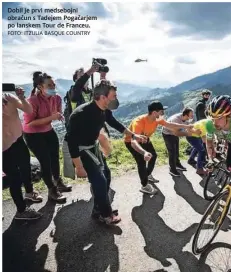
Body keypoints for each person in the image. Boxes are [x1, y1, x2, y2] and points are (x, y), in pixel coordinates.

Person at [65, 79, 141, 225]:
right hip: (81, 150)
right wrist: (79, 167)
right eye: (113, 96)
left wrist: (134, 135)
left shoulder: (104, 110)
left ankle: (98, 209)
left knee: (106, 175)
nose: (115, 99)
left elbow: (114, 123)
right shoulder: (81, 114)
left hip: (92, 147)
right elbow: (72, 141)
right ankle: (106, 215)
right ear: (103, 97)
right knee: (99, 180)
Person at [124, 101, 195, 195]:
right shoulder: (139, 122)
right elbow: (133, 142)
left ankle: (147, 175)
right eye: (161, 111)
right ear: (154, 113)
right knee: (141, 162)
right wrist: (144, 152)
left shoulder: (158, 119)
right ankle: (144, 186)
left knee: (153, 156)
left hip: (145, 139)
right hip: (132, 142)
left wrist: (186, 126)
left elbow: (170, 125)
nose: (163, 113)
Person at [22, 72, 69, 203]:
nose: (53, 87)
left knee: (55, 157)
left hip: (48, 130)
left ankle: (58, 181)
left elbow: (56, 113)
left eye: (54, 85)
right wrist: (52, 117)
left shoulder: (57, 98)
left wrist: (59, 116)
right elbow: (29, 123)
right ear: (40, 87)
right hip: (32, 134)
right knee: (45, 161)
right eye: (49, 85)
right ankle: (52, 190)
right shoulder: (32, 101)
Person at [2, 87, 42, 220]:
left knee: (25, 166)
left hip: (18, 140)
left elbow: (28, 110)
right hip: (3, 148)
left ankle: (29, 193)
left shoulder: (7, 97)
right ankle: (21, 210)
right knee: (15, 178)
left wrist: (22, 97)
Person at [161, 107, 195, 176]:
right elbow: (176, 133)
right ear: (185, 115)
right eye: (191, 115)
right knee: (172, 152)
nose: (192, 117)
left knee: (176, 150)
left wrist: (195, 132)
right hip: (167, 134)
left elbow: (188, 127)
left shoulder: (185, 119)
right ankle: (172, 169)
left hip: (174, 133)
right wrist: (189, 134)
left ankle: (177, 164)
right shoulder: (176, 120)